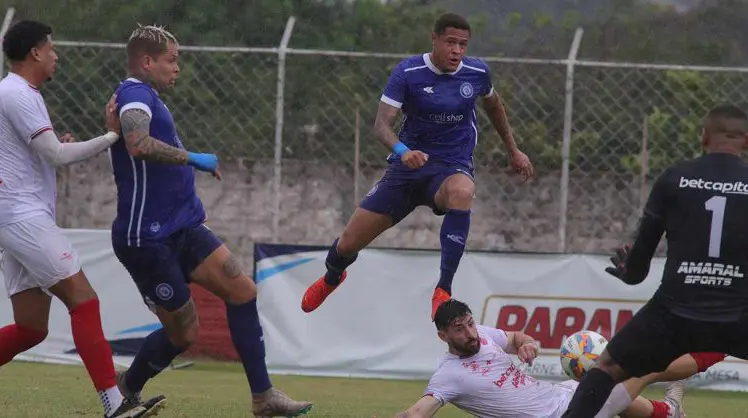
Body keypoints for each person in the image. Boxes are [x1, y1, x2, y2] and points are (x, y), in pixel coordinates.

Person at [109, 24, 313, 417]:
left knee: (243, 291)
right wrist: (193, 158)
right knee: (184, 334)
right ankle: (126, 386)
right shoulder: (135, 94)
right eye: (171, 60)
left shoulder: (147, 96)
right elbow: (137, 143)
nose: (177, 68)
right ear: (147, 61)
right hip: (148, 238)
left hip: (183, 227)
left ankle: (264, 397)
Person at [0, 20, 164, 418]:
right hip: (23, 216)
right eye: (51, 48)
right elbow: (55, 155)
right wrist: (111, 136)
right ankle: (114, 404)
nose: (56, 56)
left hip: (13, 215)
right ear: (35, 53)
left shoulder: (12, 92)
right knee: (84, 300)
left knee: (31, 328)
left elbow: (40, 154)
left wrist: (59, 149)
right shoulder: (18, 93)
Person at [302, 12, 535, 320]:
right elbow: (381, 125)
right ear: (434, 39)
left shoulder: (477, 72)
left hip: (450, 166)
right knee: (347, 245)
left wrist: (513, 150)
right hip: (407, 170)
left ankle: (443, 290)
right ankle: (333, 277)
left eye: (463, 44)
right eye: (450, 42)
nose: (456, 51)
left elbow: (494, 104)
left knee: (463, 191)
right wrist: (403, 151)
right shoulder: (408, 72)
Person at [561, 104, 748, 417]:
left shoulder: (675, 179)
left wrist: (628, 271)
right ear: (746, 140)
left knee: (606, 367)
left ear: (704, 136)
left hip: (674, 312)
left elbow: (638, 270)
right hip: (738, 313)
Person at [396, 299, 726, 418]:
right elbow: (418, 412)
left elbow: (514, 337)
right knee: (642, 367)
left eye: (470, 323)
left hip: (560, 396)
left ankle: (668, 411)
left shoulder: (480, 335)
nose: (470, 333)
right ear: (443, 336)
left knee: (612, 392)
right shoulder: (449, 375)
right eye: (460, 329)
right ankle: (721, 344)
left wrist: (526, 343)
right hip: (564, 414)